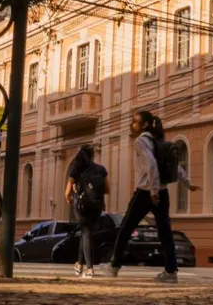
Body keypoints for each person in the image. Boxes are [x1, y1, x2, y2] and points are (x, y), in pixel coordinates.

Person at [101, 111, 199, 283]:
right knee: (165, 231)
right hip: (162, 191)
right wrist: (187, 183)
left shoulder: (141, 141)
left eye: (135, 122)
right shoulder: (157, 141)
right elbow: (172, 166)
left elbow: (152, 164)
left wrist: (153, 191)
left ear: (144, 125)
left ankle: (114, 265)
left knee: (125, 227)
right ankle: (170, 271)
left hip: (146, 192)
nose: (132, 125)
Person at [65, 144, 109, 279]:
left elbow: (67, 193)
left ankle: (89, 269)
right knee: (86, 232)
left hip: (81, 206)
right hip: (96, 206)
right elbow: (107, 189)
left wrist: (71, 200)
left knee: (86, 232)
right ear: (93, 155)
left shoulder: (76, 169)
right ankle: (79, 264)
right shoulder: (101, 169)